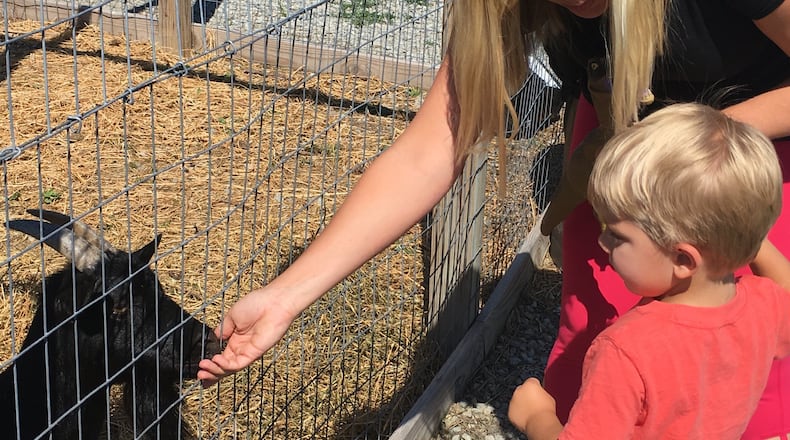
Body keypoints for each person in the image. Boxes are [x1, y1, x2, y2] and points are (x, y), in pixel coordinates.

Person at [198, 1, 790, 437]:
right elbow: (430, 149)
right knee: (594, 343)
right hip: (621, 124)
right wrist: (284, 297)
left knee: (747, 360)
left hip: (747, 144)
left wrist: (684, 144)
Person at [507, 102, 790, 439]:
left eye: (617, 236)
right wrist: (743, 234)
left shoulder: (626, 351)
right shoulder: (762, 308)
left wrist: (537, 417)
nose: (602, 242)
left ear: (684, 261)